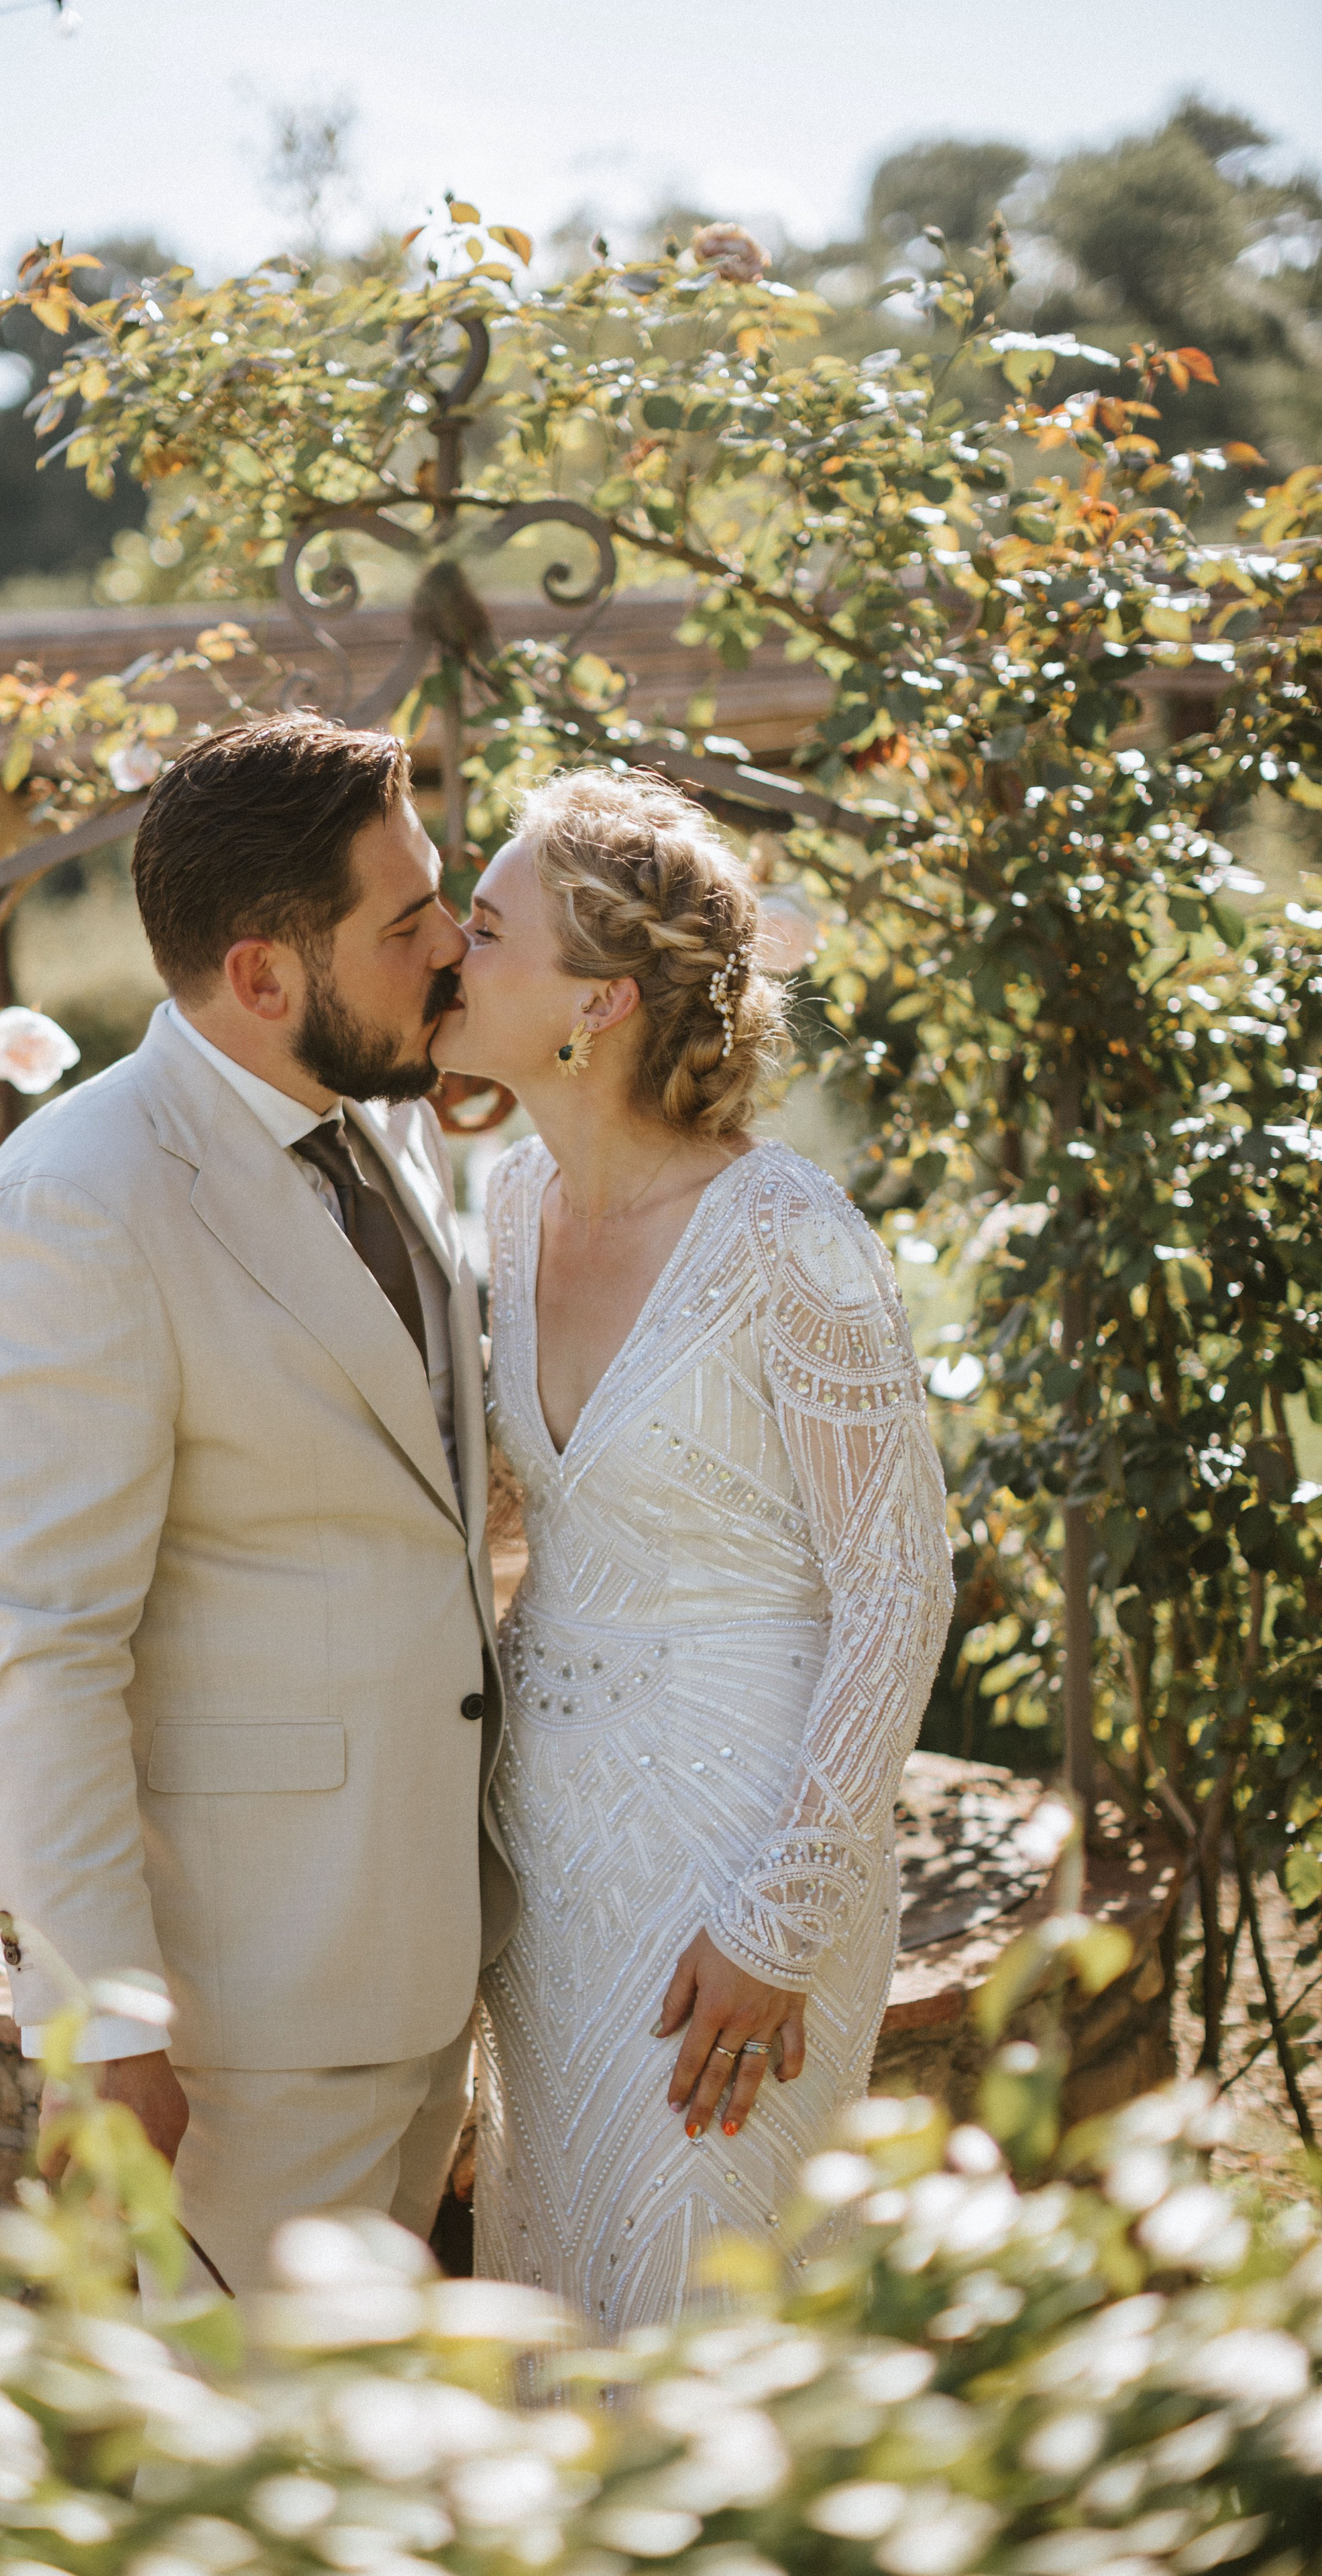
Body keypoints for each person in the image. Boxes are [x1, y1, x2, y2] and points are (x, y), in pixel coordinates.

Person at [0, 714, 516, 2295]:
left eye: (437, 897)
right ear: (260, 976)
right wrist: (106, 2021)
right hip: (244, 2020)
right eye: (406, 925)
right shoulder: (75, 1211)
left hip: (417, 1957)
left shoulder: (372, 1115)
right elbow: (38, 1646)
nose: (451, 945)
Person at [431, 767, 952, 2334]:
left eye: (482, 928)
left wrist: (777, 1920)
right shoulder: (506, 1202)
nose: (449, 956)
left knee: (699, 2323)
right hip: (549, 1862)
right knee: (557, 2313)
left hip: (730, 1863)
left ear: (594, 1003)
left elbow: (896, 1584)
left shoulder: (787, 1237)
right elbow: (554, 1502)